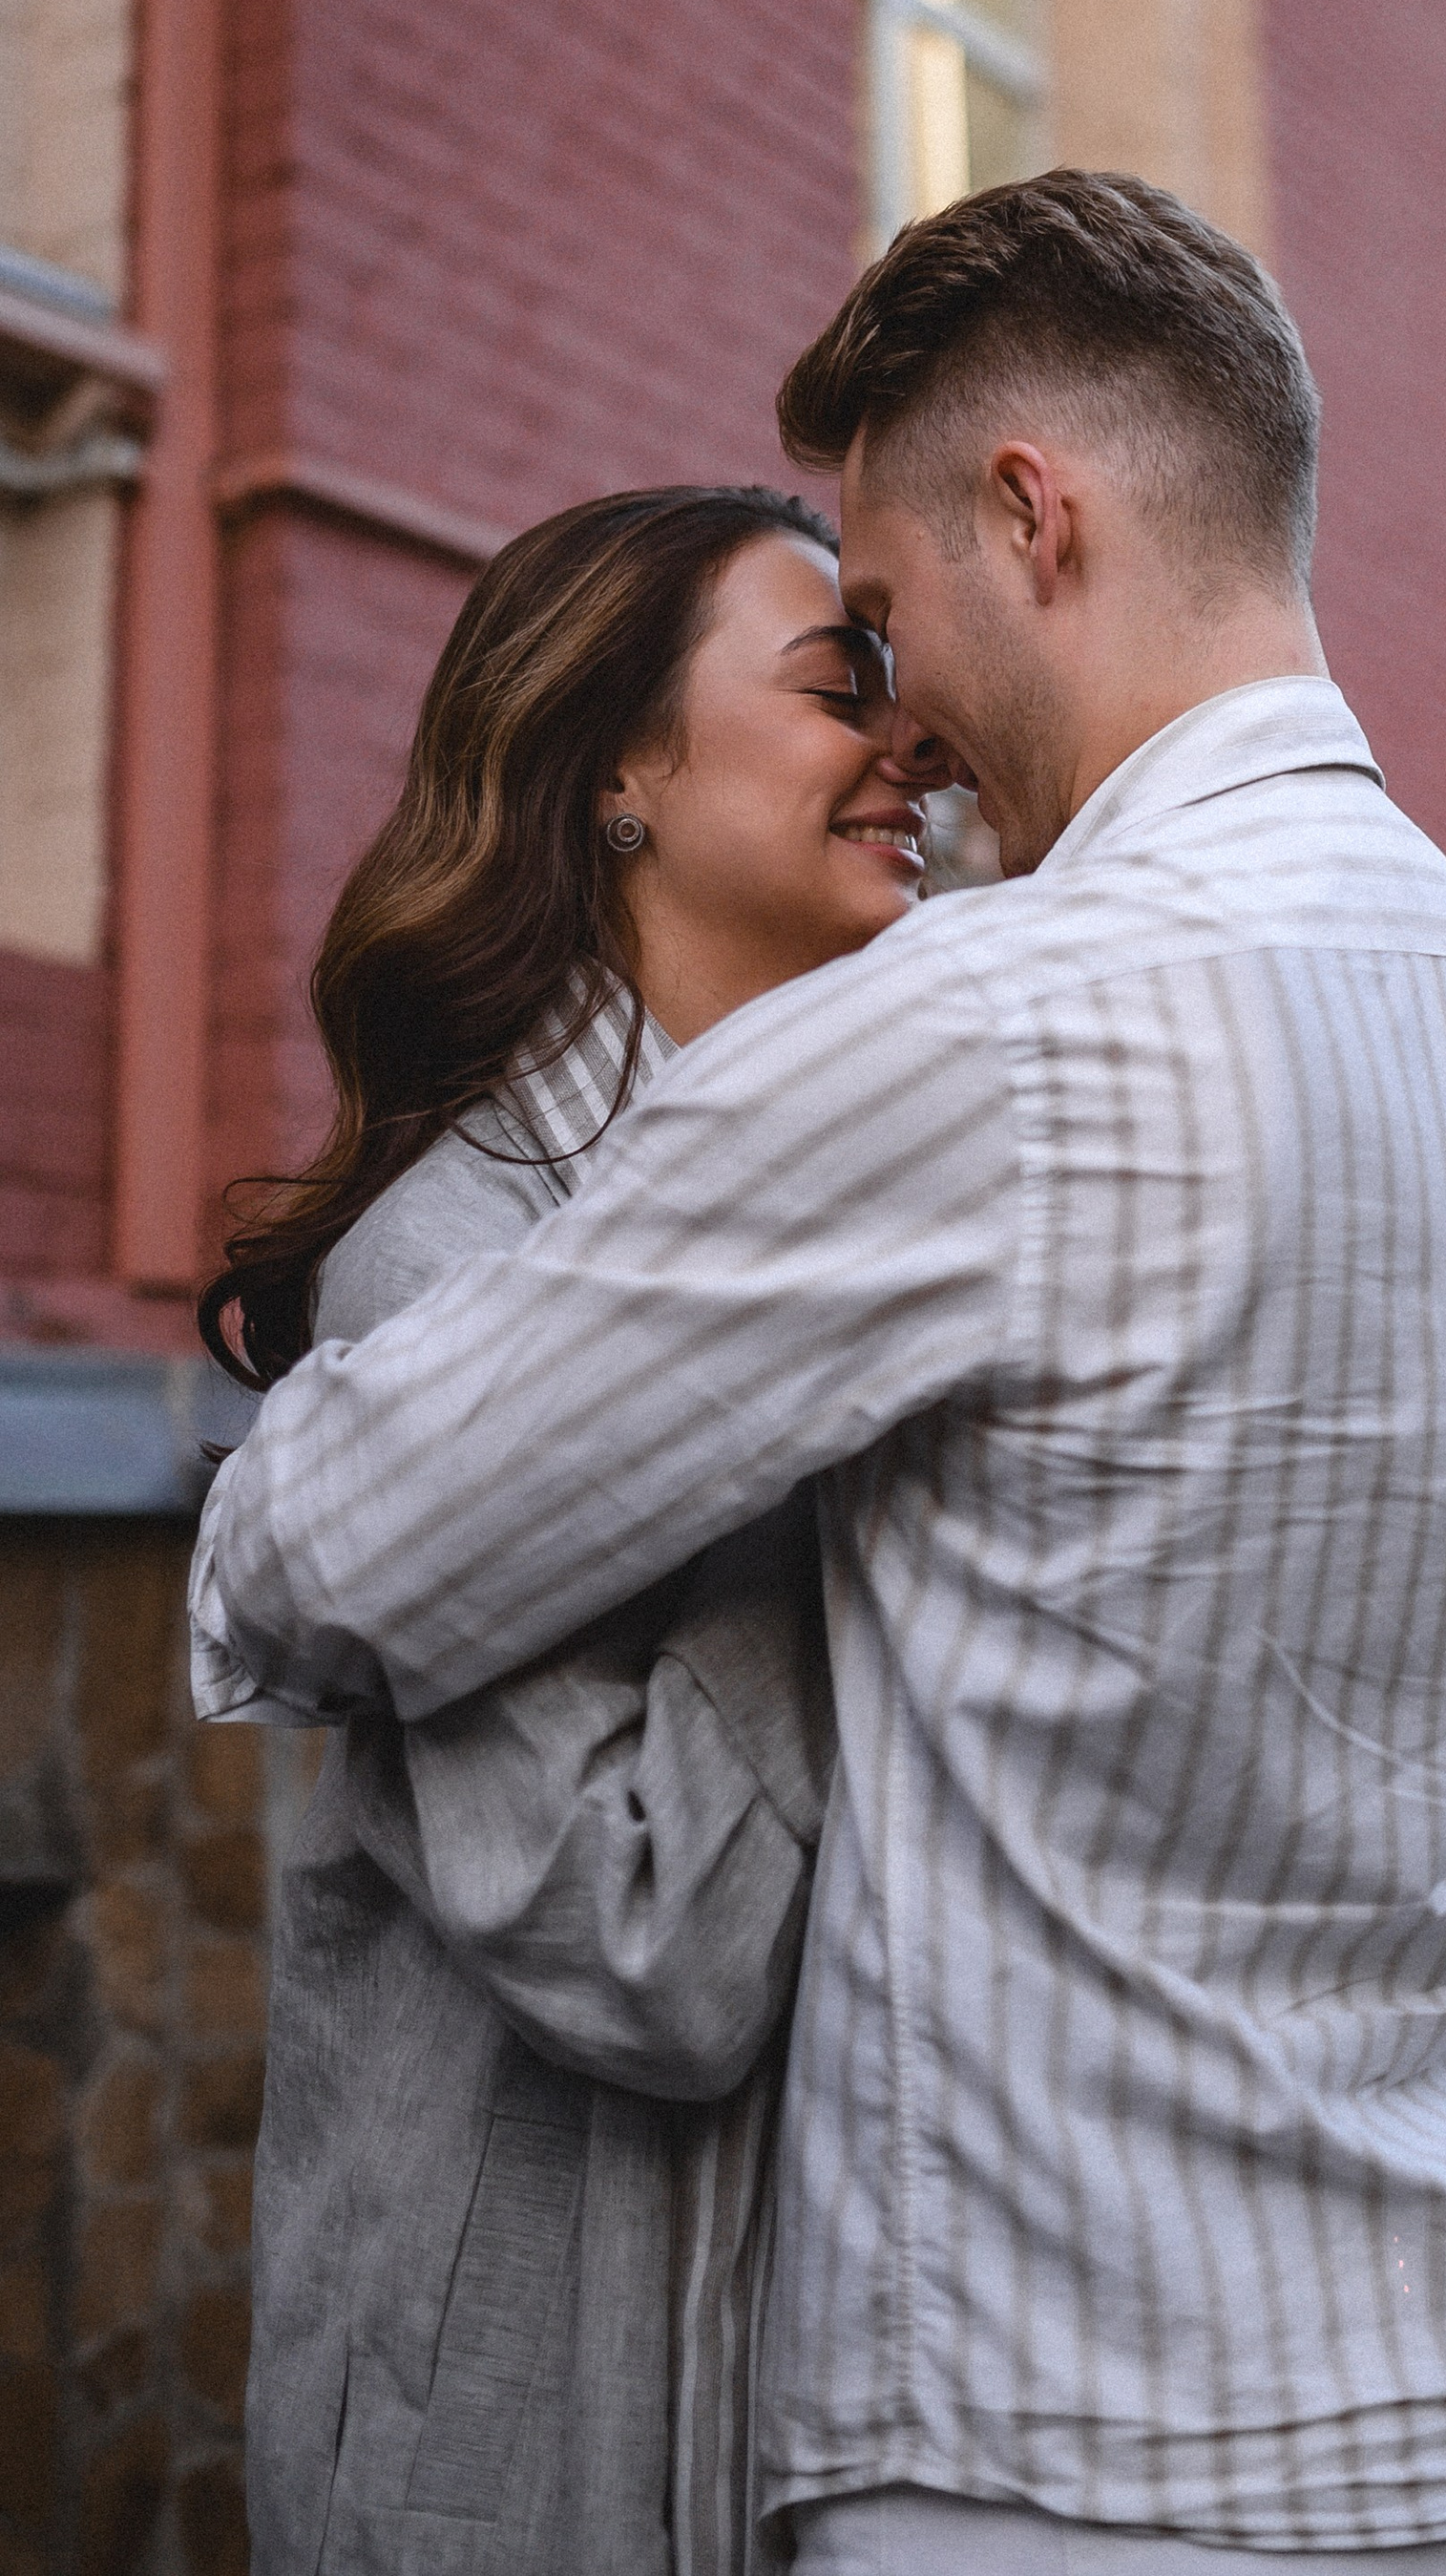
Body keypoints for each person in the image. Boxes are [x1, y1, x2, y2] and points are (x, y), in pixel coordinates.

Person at [195, 172, 1446, 2572]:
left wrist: (261, 1486)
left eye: (886, 618)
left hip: (1098, 2444)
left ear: (1031, 518)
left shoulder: (1009, 1024)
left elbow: (324, 1536)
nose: (913, 734)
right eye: (833, 663)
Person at [199, 484, 937, 2575]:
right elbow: (647, 1943)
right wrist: (872, 1464)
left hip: (807, 2411)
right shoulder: (449, 1270)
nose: (912, 743)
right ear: (619, 768)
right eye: (836, 686)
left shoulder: (860, 1197)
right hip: (515, 2459)